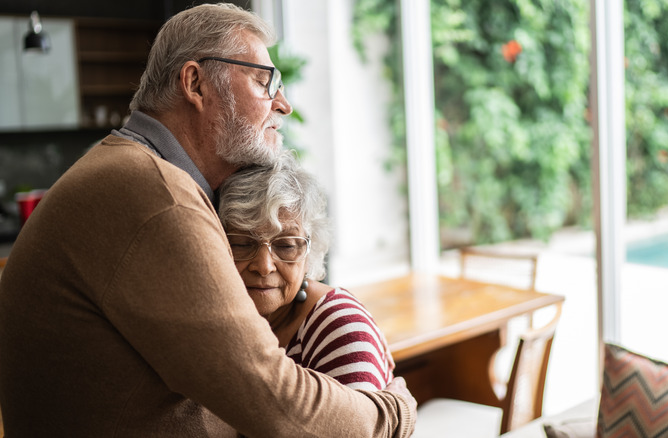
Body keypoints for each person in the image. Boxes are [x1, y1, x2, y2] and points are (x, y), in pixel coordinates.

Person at [0, 3, 415, 437]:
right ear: (195, 83)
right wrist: (392, 413)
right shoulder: (156, 195)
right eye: (263, 81)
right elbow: (274, 399)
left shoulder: (132, 174)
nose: (284, 104)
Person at [219, 151, 394, 392]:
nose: (264, 266)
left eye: (286, 245)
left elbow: (366, 428)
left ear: (310, 251)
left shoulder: (340, 326)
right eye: (241, 243)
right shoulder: (218, 318)